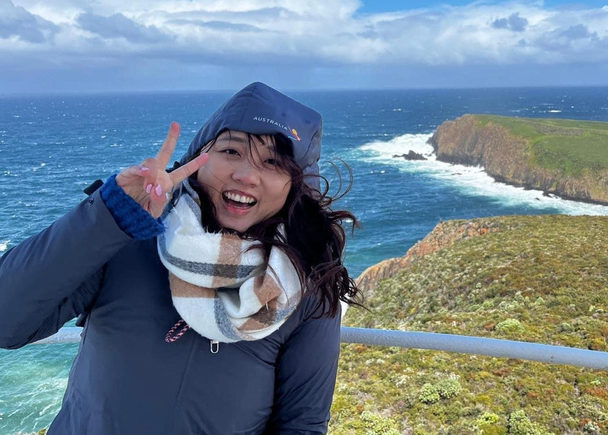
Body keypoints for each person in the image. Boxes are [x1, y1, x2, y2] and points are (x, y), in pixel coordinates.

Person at [0, 82, 361, 434]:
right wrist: (108, 216)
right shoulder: (130, 238)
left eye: (273, 162)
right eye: (231, 151)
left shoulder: (303, 285)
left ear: (295, 185)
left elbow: (302, 424)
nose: (246, 175)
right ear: (197, 159)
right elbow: (7, 321)